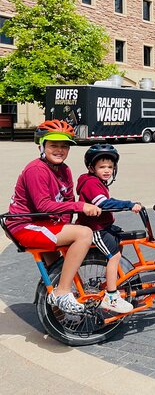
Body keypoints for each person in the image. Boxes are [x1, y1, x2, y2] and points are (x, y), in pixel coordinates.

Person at [6, 120, 102, 314]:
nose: (59, 150)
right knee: (84, 234)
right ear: (42, 146)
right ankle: (62, 293)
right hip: (24, 225)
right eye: (53, 145)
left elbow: (67, 200)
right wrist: (81, 206)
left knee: (57, 265)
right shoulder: (36, 170)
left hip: (44, 223)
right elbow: (43, 205)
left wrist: (68, 223)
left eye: (64, 146)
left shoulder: (64, 170)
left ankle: (55, 312)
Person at [76, 144, 142, 314]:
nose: (107, 170)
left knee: (119, 243)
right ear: (92, 168)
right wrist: (129, 204)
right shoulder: (91, 183)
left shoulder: (98, 182)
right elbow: (104, 203)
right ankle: (111, 296)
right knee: (114, 256)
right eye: (102, 167)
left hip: (103, 225)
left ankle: (116, 279)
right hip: (95, 228)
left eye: (110, 167)